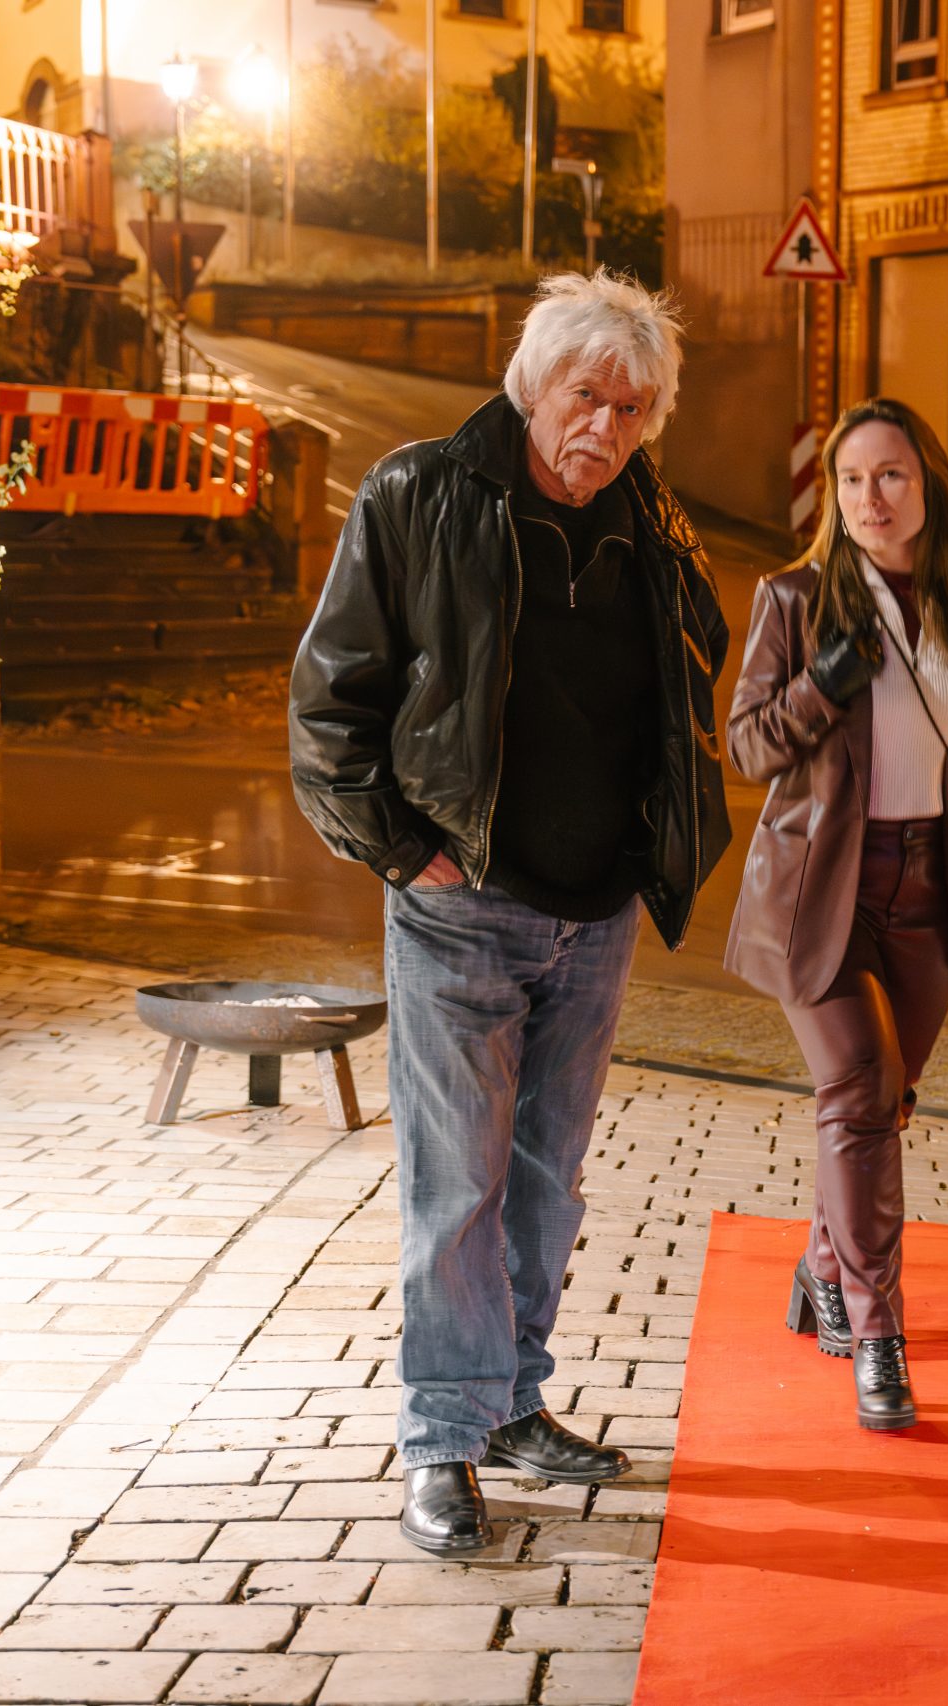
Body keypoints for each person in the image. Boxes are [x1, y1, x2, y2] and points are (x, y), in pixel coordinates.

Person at [287, 270, 731, 1556]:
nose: (606, 425)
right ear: (534, 386)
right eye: (587, 396)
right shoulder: (419, 493)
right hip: (461, 902)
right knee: (456, 1183)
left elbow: (683, 697)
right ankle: (441, 1438)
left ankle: (513, 1401)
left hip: (596, 912)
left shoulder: (657, 524)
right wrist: (400, 849)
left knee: (545, 1181)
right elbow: (330, 700)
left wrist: (655, 851)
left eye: (633, 408)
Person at [724, 397, 948, 1432]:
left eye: (889, 475)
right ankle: (878, 1331)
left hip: (928, 886)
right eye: (850, 479)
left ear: (930, 485)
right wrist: (822, 683)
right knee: (857, 1091)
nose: (868, 497)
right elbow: (746, 746)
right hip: (821, 889)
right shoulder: (796, 598)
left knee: (886, 1104)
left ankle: (821, 1265)